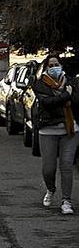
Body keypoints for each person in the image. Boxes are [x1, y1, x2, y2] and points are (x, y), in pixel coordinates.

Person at [31, 53, 79, 215]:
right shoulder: (39, 85)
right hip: (48, 130)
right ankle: (50, 189)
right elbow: (48, 103)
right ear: (45, 69)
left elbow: (76, 101)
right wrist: (66, 96)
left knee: (66, 165)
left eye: (56, 64)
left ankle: (66, 201)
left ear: (61, 66)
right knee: (49, 168)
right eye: (50, 66)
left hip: (70, 130)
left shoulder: (71, 82)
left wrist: (68, 97)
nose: (54, 68)